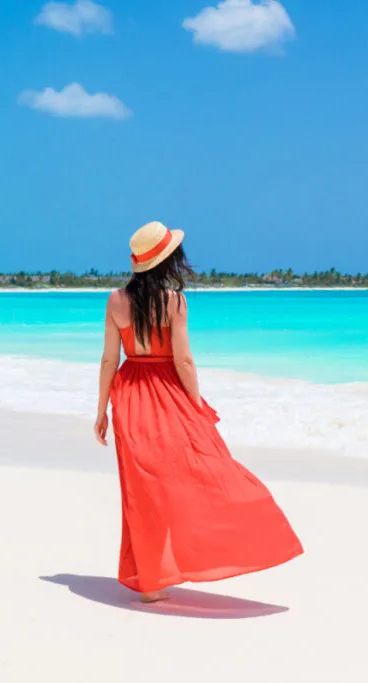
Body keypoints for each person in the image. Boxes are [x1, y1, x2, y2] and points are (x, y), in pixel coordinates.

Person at [94, 221, 303, 603]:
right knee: (191, 475)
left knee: (142, 490)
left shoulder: (114, 300)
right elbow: (184, 361)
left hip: (128, 395)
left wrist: (101, 410)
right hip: (169, 393)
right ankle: (178, 563)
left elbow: (110, 359)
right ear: (168, 260)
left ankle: (151, 581)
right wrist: (195, 405)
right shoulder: (174, 301)